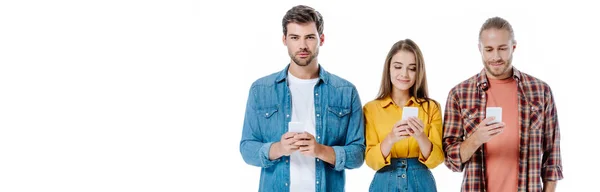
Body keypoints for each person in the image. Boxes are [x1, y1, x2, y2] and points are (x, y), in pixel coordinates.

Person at [239, 5, 365, 192]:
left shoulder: (346, 91)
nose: (303, 45)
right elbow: (247, 148)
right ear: (284, 40)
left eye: (310, 37)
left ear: (321, 39)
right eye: (295, 37)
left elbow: (358, 154)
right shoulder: (261, 89)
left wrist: (320, 150)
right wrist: (279, 148)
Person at [442, 17, 563, 191]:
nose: (496, 56)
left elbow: (553, 155)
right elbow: (451, 161)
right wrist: (476, 138)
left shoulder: (540, 91)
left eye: (502, 49)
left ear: (513, 47)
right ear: (480, 49)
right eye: (489, 49)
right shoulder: (459, 94)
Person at [363, 39, 444, 192]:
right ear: (388, 68)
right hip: (384, 182)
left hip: (421, 183)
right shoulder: (371, 109)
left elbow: (436, 160)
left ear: (418, 71)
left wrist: (421, 137)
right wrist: (391, 138)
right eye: (398, 67)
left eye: (412, 68)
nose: (404, 74)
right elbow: (371, 161)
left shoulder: (431, 107)